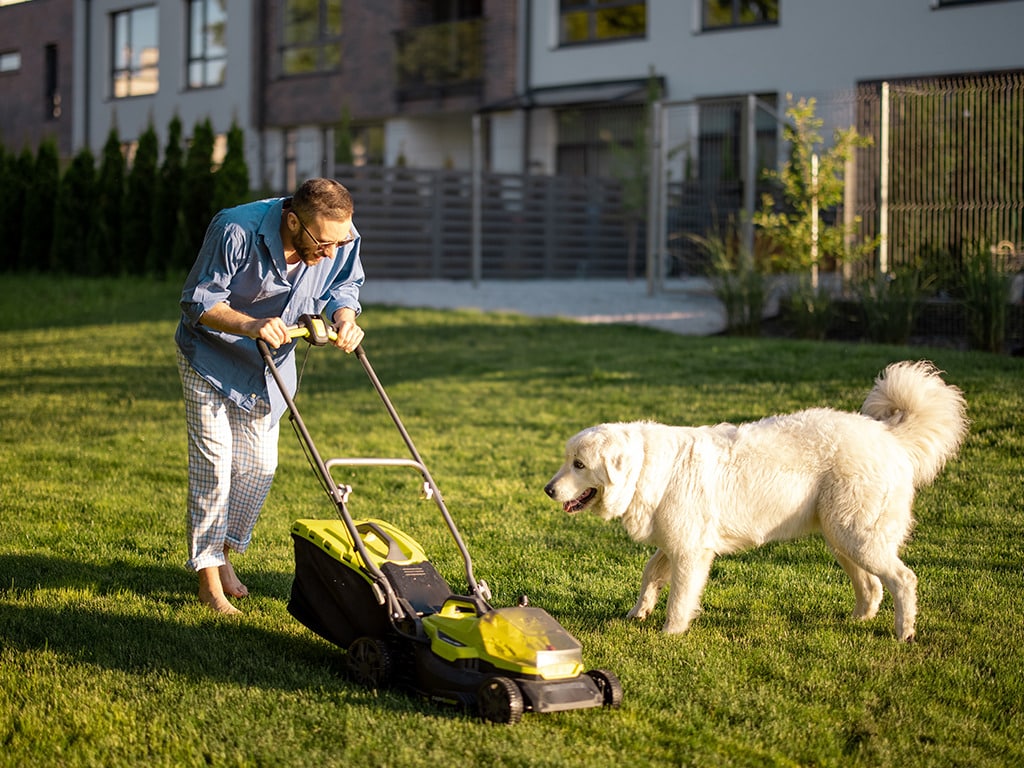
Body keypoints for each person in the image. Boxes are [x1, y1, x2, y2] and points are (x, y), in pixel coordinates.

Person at [175, 177, 365, 614]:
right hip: (211, 360)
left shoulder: (339, 235)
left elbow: (344, 285)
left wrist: (344, 317)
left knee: (260, 467)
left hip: (270, 369)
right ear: (293, 221)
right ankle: (208, 580)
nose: (332, 252)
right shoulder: (235, 230)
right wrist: (249, 325)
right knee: (214, 468)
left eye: (341, 241)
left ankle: (222, 553)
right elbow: (198, 301)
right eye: (324, 243)